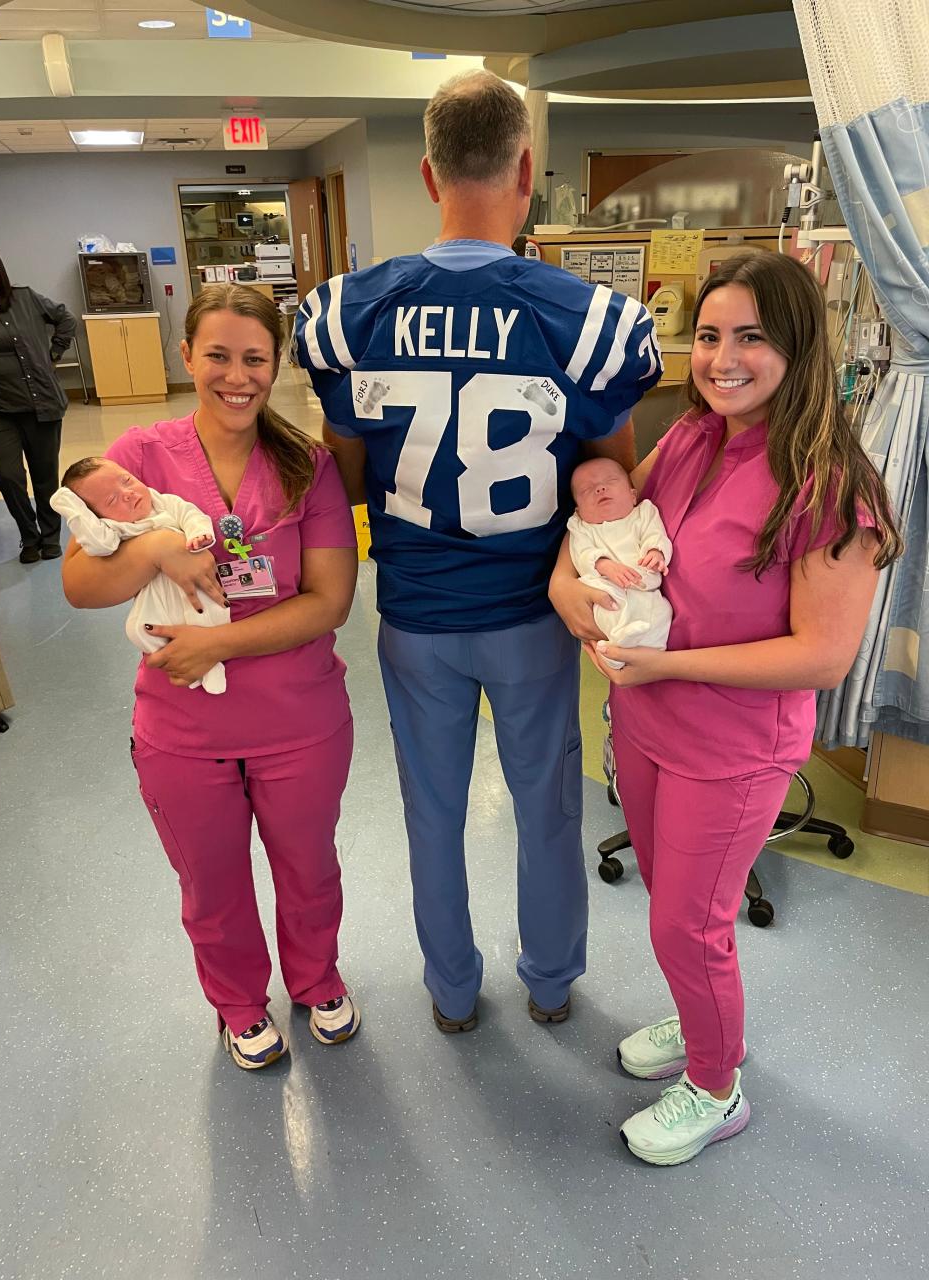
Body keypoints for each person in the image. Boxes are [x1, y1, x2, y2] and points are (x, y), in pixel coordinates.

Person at [296, 70, 661, 1032]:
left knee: (431, 812)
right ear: (527, 171)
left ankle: (452, 992)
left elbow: (344, 478)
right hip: (534, 616)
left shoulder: (348, 313)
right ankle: (548, 983)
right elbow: (606, 491)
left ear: (426, 174)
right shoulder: (589, 320)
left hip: (415, 614)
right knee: (545, 808)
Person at [550, 251, 902, 1165]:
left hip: (734, 748)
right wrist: (568, 590)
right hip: (650, 723)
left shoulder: (832, 486)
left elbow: (821, 655)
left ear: (797, 345)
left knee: (687, 921)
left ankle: (716, 1088)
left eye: (751, 337)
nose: (723, 358)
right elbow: (604, 527)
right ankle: (705, 1024)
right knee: (673, 897)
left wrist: (670, 664)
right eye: (709, 336)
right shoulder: (692, 437)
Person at [62, 284, 361, 1069]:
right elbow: (81, 587)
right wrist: (153, 551)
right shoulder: (136, 462)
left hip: (300, 723)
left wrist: (219, 647)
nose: (238, 375)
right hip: (183, 732)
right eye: (219, 355)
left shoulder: (309, 466)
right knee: (212, 882)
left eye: (255, 358)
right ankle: (236, 1003)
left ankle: (318, 979)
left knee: (308, 867)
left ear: (275, 365)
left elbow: (330, 602)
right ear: (187, 355)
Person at [51, 457, 230, 694]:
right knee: (137, 629)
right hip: (155, 593)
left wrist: (199, 535)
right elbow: (98, 545)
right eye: (112, 500)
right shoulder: (116, 527)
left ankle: (211, 666)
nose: (127, 494)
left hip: (194, 588)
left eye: (127, 481)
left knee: (205, 616)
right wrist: (68, 504)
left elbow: (192, 516)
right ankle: (180, 662)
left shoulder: (165, 503)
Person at [0, 240, 75, 563]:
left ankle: (50, 535)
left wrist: (54, 354)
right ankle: (29, 536)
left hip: (39, 404)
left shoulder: (24, 298)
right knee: (10, 478)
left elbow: (66, 320)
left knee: (45, 476)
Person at [567, 457, 672, 666]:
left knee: (662, 611)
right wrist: (604, 565)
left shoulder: (643, 512)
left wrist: (655, 552)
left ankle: (645, 645)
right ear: (579, 511)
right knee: (603, 603)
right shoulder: (581, 527)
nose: (600, 489)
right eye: (587, 489)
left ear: (633, 495)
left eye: (610, 481)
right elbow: (581, 553)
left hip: (642, 585)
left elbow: (655, 534)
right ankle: (614, 649)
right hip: (607, 585)